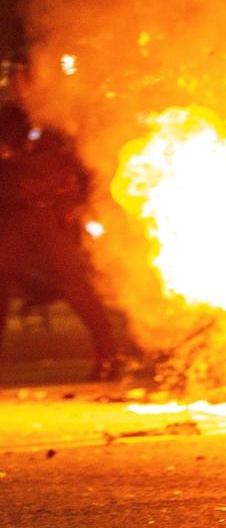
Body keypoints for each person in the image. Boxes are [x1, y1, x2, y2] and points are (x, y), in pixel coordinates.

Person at [0, 68, 127, 381]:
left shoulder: (57, 120)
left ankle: (109, 355)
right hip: (15, 216)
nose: (21, 88)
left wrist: (81, 205)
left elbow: (67, 164)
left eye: (26, 81)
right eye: (17, 82)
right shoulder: (8, 119)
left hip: (50, 217)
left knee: (74, 286)